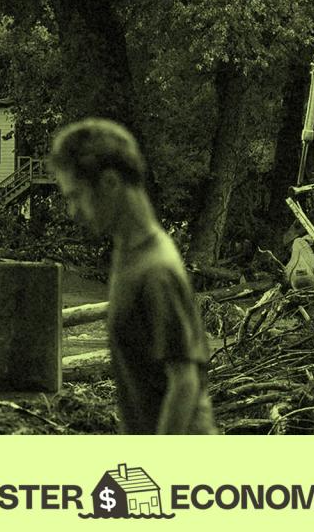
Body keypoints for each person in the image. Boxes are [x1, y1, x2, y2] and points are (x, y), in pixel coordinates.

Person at [50, 118, 216, 434]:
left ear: (111, 183)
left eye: (76, 196)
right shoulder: (128, 251)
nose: (73, 211)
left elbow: (184, 384)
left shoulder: (156, 269)